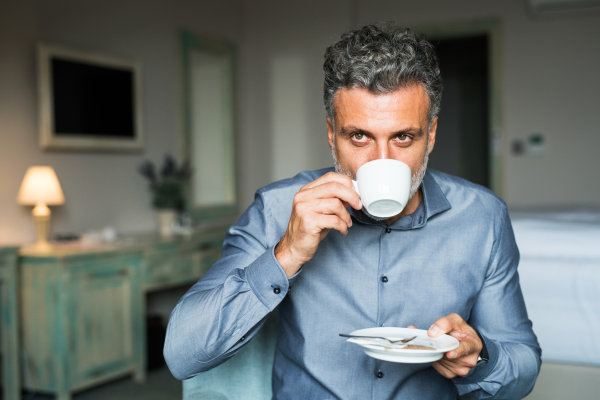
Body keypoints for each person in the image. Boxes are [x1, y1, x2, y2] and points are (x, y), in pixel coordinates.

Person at [164, 23, 541, 399]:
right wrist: (287, 253)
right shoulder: (278, 208)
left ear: (432, 133)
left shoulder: (482, 217)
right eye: (359, 136)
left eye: (403, 137)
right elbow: (182, 356)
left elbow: (523, 367)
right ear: (332, 133)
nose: (381, 159)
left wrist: (481, 358)